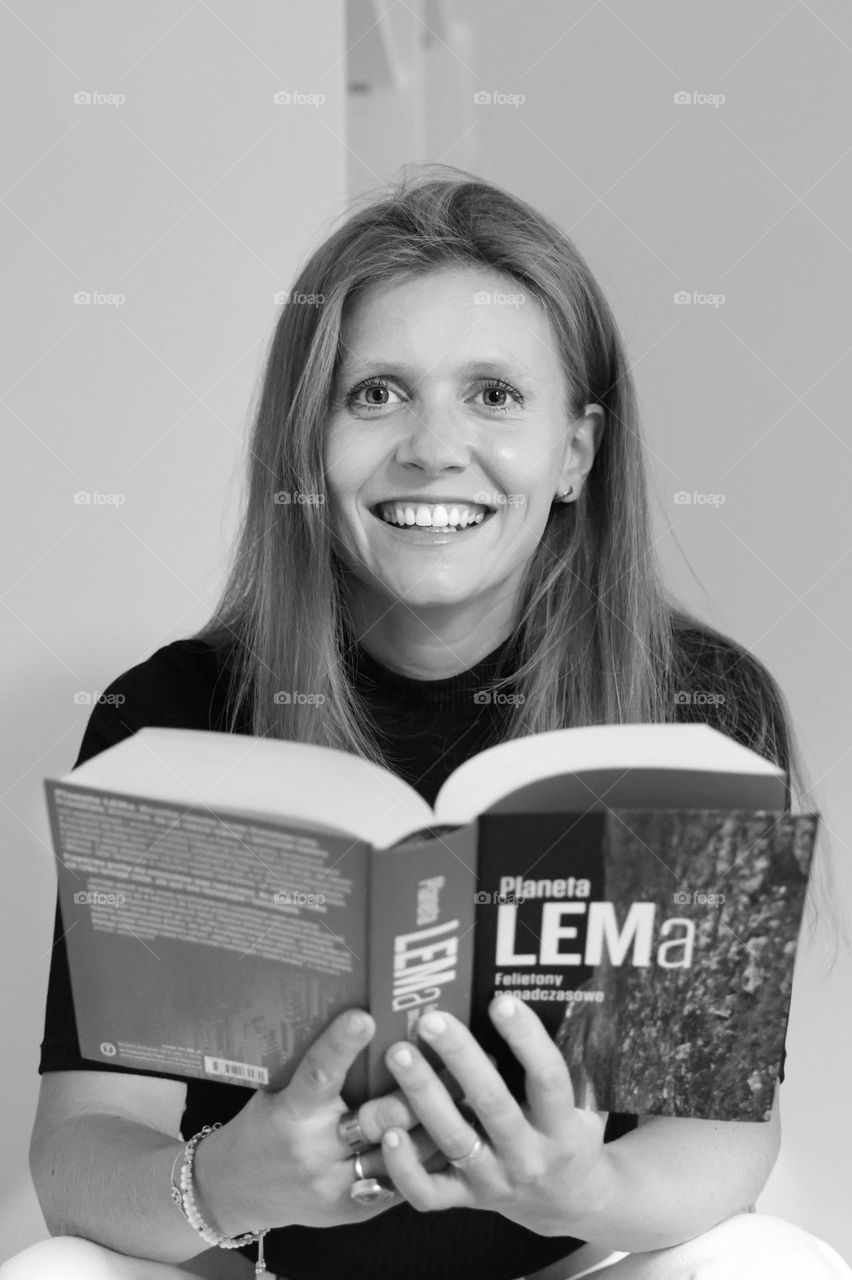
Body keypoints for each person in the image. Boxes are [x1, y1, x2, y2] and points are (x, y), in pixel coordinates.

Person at [15, 166, 851, 1280]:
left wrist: (585, 1187)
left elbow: (722, 1137)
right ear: (308, 442)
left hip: (578, 1264)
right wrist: (231, 1179)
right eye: (377, 394)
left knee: (773, 1259)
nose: (431, 447)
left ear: (576, 451)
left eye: (495, 395)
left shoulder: (693, 706)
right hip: (266, 1265)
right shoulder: (168, 717)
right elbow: (78, 1143)